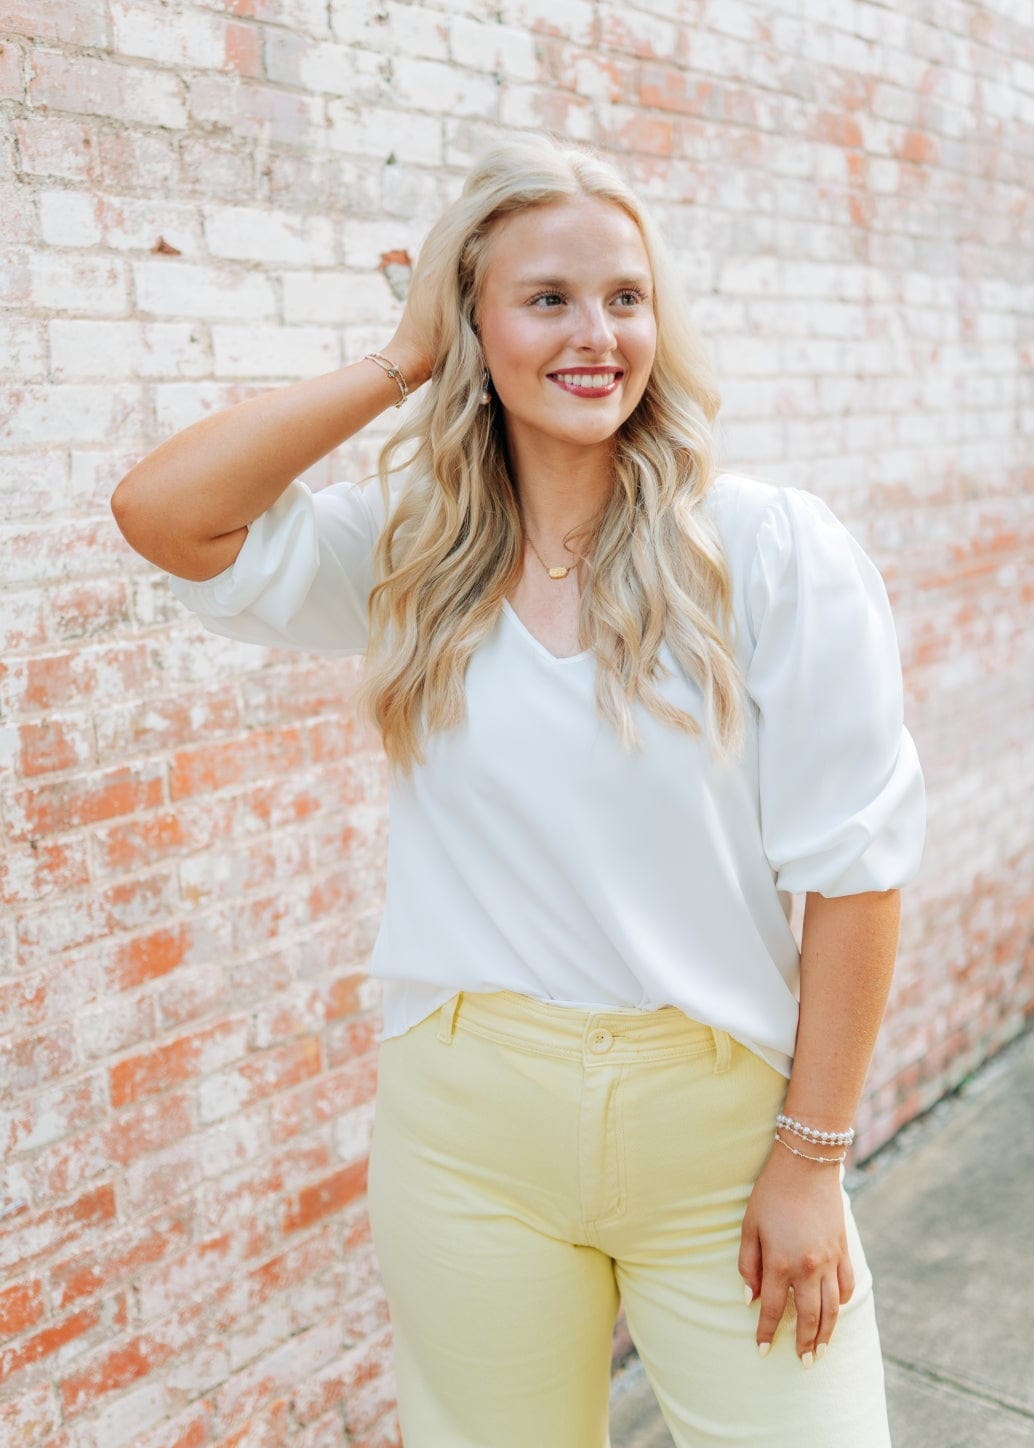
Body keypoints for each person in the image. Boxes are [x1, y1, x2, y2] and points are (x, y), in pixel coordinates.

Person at [111, 134, 926, 1448]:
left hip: (716, 1132)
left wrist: (810, 1159)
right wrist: (397, 362)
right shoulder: (413, 555)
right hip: (466, 1130)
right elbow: (163, 513)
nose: (594, 333)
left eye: (624, 296)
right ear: (472, 325)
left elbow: (854, 873)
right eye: (546, 298)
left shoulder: (769, 551)